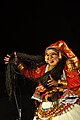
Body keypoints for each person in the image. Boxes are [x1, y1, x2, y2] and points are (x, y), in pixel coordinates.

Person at [4, 40, 80, 120]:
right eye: (47, 55)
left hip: (62, 101)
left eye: (53, 55)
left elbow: (76, 83)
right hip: (45, 103)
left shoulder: (66, 66)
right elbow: (30, 74)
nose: (50, 58)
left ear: (59, 55)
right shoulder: (44, 68)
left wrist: (58, 83)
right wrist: (18, 63)